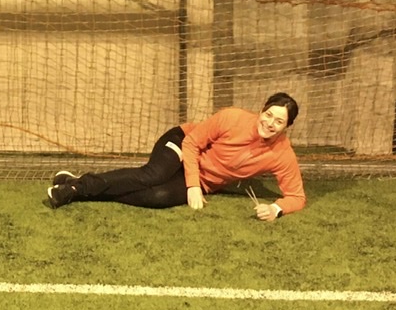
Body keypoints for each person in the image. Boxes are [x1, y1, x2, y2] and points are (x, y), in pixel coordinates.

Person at [47, 92, 304, 221]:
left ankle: (75, 183)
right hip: (183, 142)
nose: (270, 123)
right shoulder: (232, 117)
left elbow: (297, 197)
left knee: (158, 196)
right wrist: (193, 186)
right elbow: (192, 143)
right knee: (154, 175)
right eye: (268, 115)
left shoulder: (282, 154)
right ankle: (78, 188)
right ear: (261, 110)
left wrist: (275, 209)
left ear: (287, 127)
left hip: (201, 178)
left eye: (279, 121)